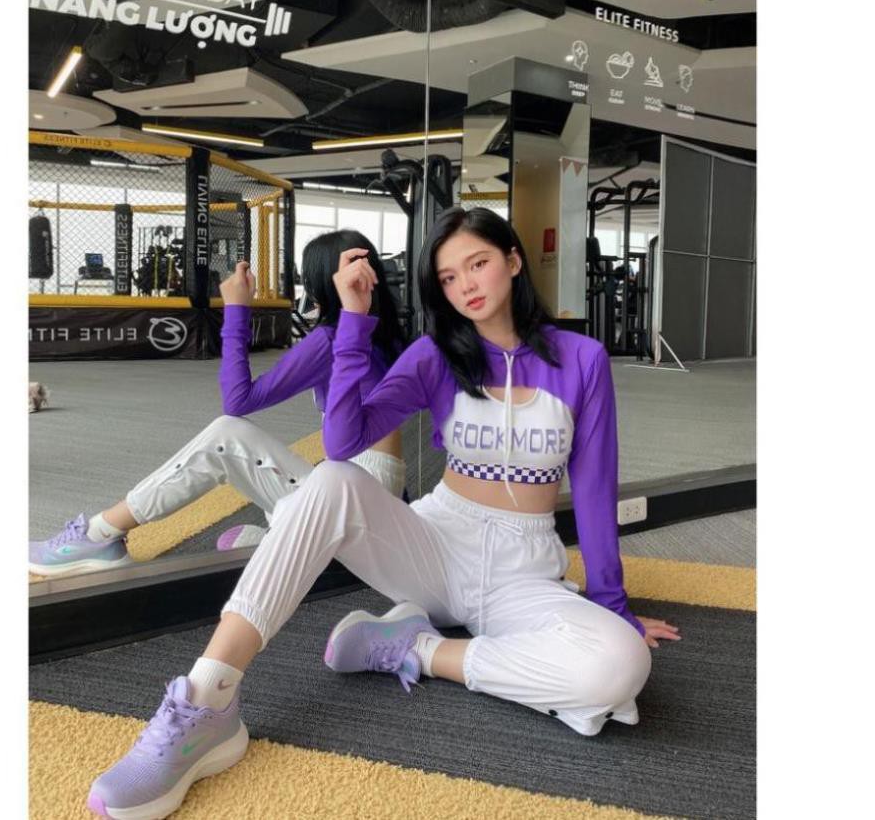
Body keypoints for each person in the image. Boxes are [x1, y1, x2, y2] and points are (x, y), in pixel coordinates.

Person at [86, 209, 680, 820]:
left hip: (522, 573)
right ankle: (207, 699)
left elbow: (595, 487)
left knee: (621, 666)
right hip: (436, 546)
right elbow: (343, 442)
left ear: (512, 260)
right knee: (333, 479)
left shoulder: (581, 359)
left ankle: (412, 647)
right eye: (448, 278)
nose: (466, 286)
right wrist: (353, 321)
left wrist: (613, 607)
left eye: (477, 264)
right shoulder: (434, 355)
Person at [29, 229, 407, 578]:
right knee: (251, 498)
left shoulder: (330, 339)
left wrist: (236, 309)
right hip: (379, 501)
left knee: (227, 436)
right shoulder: (386, 334)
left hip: (357, 509)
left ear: (321, 284)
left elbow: (238, 400)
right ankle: (285, 539)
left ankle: (99, 535)